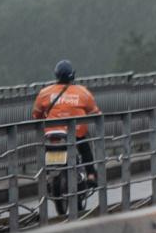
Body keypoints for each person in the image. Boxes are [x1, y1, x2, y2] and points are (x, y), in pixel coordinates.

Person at [31, 60, 102, 191]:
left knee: (45, 150)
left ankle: (45, 176)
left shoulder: (45, 93)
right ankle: (91, 175)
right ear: (72, 75)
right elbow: (95, 113)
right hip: (75, 134)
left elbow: (36, 115)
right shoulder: (82, 92)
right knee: (85, 149)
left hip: (52, 135)